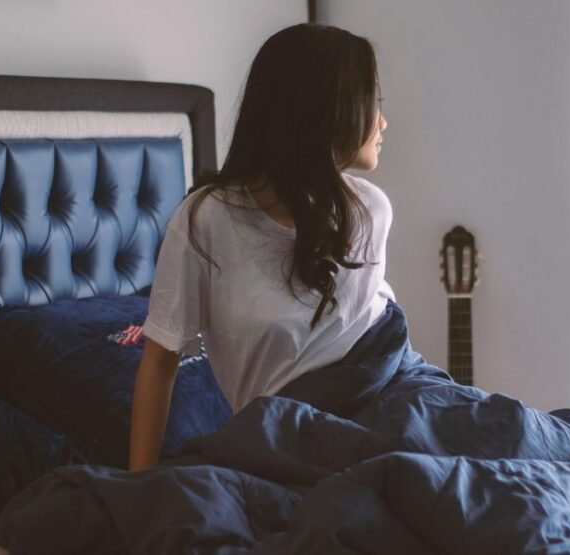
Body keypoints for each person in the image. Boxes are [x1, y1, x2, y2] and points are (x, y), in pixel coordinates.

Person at [129, 23, 392, 471]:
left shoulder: (369, 209)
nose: (383, 121)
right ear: (324, 107)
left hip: (390, 407)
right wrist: (137, 489)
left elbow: (373, 341)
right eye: (373, 104)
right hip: (285, 443)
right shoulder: (205, 220)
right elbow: (159, 360)